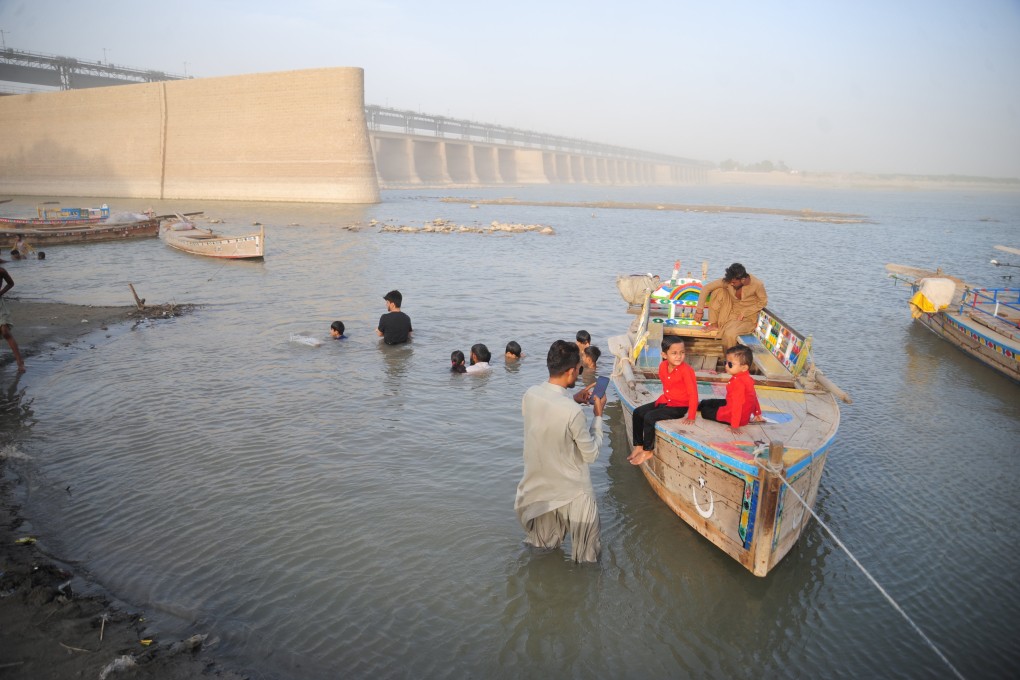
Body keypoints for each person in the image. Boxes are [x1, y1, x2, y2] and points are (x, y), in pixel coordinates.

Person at [514, 340, 605, 563]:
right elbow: (591, 454)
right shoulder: (572, 412)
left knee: (541, 551)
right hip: (574, 493)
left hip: (540, 490)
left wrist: (571, 399)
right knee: (587, 560)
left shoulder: (530, 394)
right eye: (579, 370)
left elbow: (547, 419)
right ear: (572, 371)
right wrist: (598, 415)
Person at [628, 336, 697, 466]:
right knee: (638, 412)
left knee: (649, 417)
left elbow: (693, 394)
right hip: (665, 401)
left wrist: (691, 416)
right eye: (674, 353)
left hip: (678, 406)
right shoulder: (662, 366)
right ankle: (638, 445)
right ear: (664, 355)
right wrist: (662, 402)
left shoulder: (687, 371)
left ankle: (648, 450)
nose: (679, 356)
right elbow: (667, 385)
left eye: (682, 353)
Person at [693, 263, 768, 348]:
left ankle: (729, 360)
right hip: (730, 312)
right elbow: (706, 288)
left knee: (729, 334)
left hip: (747, 318)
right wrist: (699, 311)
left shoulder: (757, 285)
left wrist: (745, 312)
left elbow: (763, 301)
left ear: (743, 280)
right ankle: (715, 324)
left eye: (733, 282)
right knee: (718, 291)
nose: (731, 284)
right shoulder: (730, 281)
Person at [698, 344, 764, 433]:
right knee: (713, 402)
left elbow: (737, 405)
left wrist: (734, 426)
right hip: (740, 412)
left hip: (734, 417)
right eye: (726, 362)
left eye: (730, 364)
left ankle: (700, 406)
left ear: (744, 367)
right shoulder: (747, 378)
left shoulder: (738, 383)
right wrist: (757, 413)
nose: (726, 366)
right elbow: (753, 397)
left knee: (705, 412)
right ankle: (701, 403)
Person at [0, 266, 26, 373]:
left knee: (5, 331)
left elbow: (10, 283)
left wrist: (1, 293)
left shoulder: (1, 271)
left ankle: (20, 362)